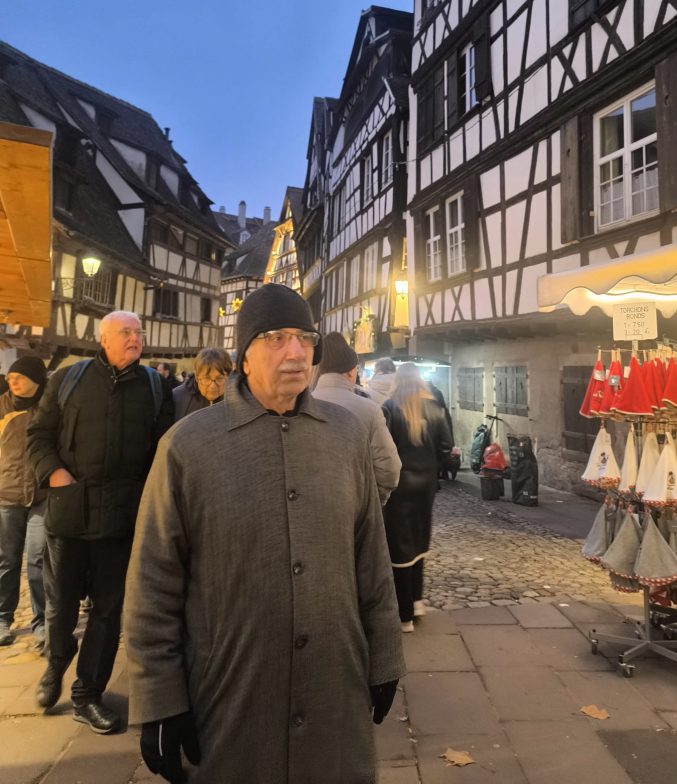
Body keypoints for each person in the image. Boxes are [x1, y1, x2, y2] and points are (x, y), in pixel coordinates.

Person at [124, 283, 405, 784]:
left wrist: (385, 655)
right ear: (244, 357)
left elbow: (371, 557)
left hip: (333, 689)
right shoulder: (188, 447)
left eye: (305, 338)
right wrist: (159, 698)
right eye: (276, 338)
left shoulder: (345, 436)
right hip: (231, 695)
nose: (296, 352)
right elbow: (152, 582)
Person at [27, 311, 174, 735]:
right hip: (70, 514)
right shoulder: (68, 380)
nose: (135, 339)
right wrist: (55, 473)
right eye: (126, 332)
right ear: (103, 339)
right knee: (60, 606)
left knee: (108, 612)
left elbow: (162, 449)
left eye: (138, 332)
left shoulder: (154, 386)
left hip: (122, 520)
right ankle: (56, 662)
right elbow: (38, 436)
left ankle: (87, 694)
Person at [382, 363, 452, 632]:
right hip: (426, 486)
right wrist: (434, 468)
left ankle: (405, 615)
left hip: (399, 486)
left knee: (399, 546)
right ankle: (417, 600)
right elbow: (446, 446)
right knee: (419, 540)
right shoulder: (434, 407)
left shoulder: (390, 407)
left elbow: (384, 449)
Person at [312, 332, 401, 505]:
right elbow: (389, 468)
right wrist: (375, 501)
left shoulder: (302, 405)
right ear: (351, 372)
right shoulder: (369, 409)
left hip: (314, 506)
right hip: (356, 504)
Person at [0, 356, 49, 651]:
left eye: (19, 377)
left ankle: (41, 622)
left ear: (36, 380)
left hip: (42, 496)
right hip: (7, 494)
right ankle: (2, 618)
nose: (12, 381)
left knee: (38, 559)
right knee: (7, 560)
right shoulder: (2, 406)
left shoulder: (49, 406)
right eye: (10, 377)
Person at [172, 347, 232, 420]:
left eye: (219, 378)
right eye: (207, 378)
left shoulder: (237, 400)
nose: (213, 386)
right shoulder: (176, 398)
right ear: (197, 377)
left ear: (228, 377)